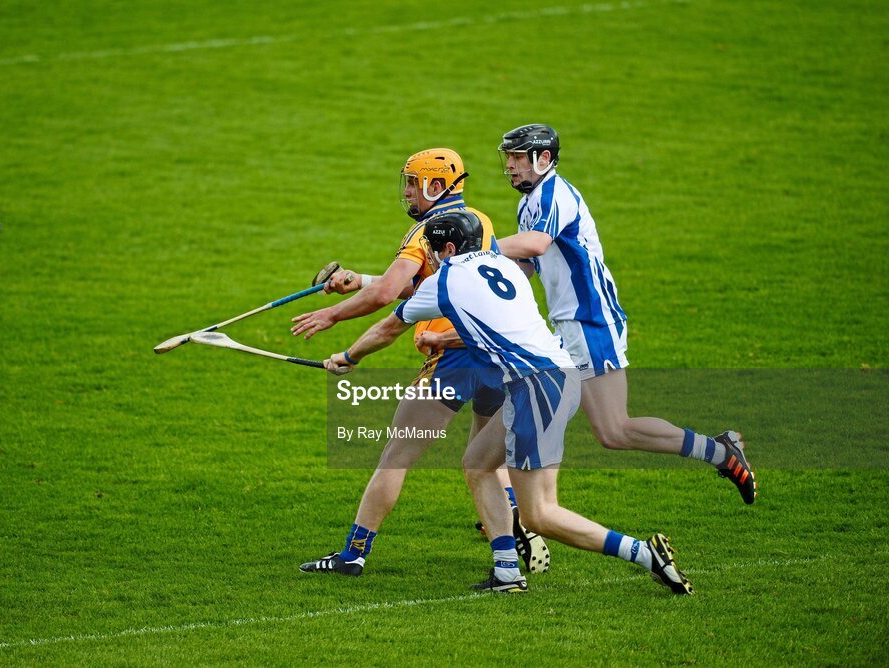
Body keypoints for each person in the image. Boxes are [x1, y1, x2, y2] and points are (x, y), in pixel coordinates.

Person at [322, 210, 694, 594]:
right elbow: (495, 327)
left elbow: (387, 329)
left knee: (540, 514)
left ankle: (646, 554)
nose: (429, 261)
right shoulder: (505, 266)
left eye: (432, 251)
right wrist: (442, 340)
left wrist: (346, 358)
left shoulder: (445, 280)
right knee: (478, 465)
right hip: (559, 377)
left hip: (535, 388)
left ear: (449, 248)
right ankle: (506, 573)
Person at [294, 148, 549, 580]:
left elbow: (391, 298)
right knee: (485, 458)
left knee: (396, 457)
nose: (408, 191)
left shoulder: (424, 232)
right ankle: (514, 528)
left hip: (449, 359)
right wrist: (362, 279)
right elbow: (422, 283)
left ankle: (353, 554)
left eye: (414, 182)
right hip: (496, 355)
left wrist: (335, 323)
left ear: (436, 185)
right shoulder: (478, 222)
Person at [483, 124, 755, 504]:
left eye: (516, 157)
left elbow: (537, 244)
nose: (509, 165)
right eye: (508, 157)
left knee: (614, 430)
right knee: (544, 409)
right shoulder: (529, 202)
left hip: (590, 321)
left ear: (543, 159)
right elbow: (527, 264)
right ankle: (516, 506)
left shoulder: (554, 194)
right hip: (568, 324)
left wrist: (480, 247)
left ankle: (721, 453)